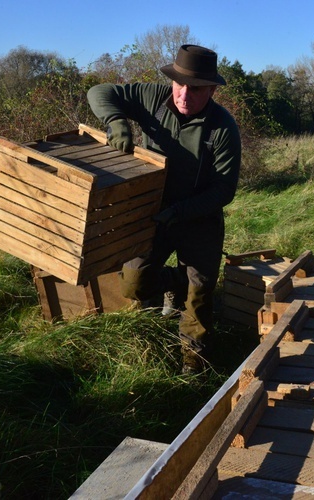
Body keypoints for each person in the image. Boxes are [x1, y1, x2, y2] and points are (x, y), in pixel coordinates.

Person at [87, 45, 242, 374]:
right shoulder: (152, 97)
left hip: (199, 218)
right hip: (151, 213)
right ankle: (175, 282)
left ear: (212, 90)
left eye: (196, 88)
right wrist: (116, 123)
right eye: (180, 84)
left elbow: (224, 190)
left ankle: (194, 368)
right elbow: (99, 92)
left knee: (199, 300)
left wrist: (181, 212)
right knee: (133, 285)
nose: (185, 94)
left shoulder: (223, 128)